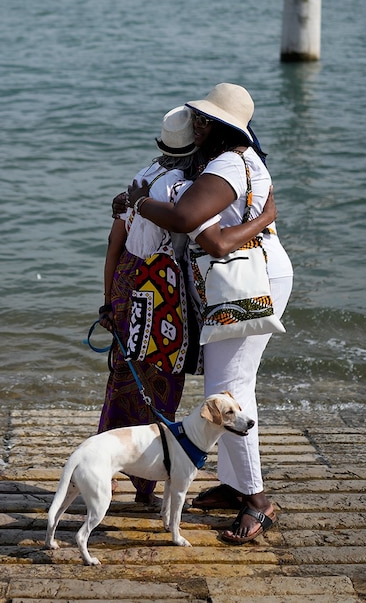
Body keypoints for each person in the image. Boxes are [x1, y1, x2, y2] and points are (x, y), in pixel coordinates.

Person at [127, 83, 294, 544]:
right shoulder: (239, 160)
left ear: (219, 127)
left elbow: (186, 221)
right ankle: (236, 486)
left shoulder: (225, 165)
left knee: (229, 389)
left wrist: (138, 201)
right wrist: (265, 217)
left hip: (248, 279)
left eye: (202, 119)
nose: (196, 124)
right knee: (230, 383)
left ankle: (258, 502)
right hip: (248, 274)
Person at [98, 105, 277, 506]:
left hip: (129, 284)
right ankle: (151, 481)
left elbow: (114, 241)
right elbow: (203, 237)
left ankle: (108, 465)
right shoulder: (182, 185)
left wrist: (108, 300)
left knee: (124, 377)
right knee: (162, 385)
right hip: (164, 293)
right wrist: (267, 216)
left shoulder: (141, 179)